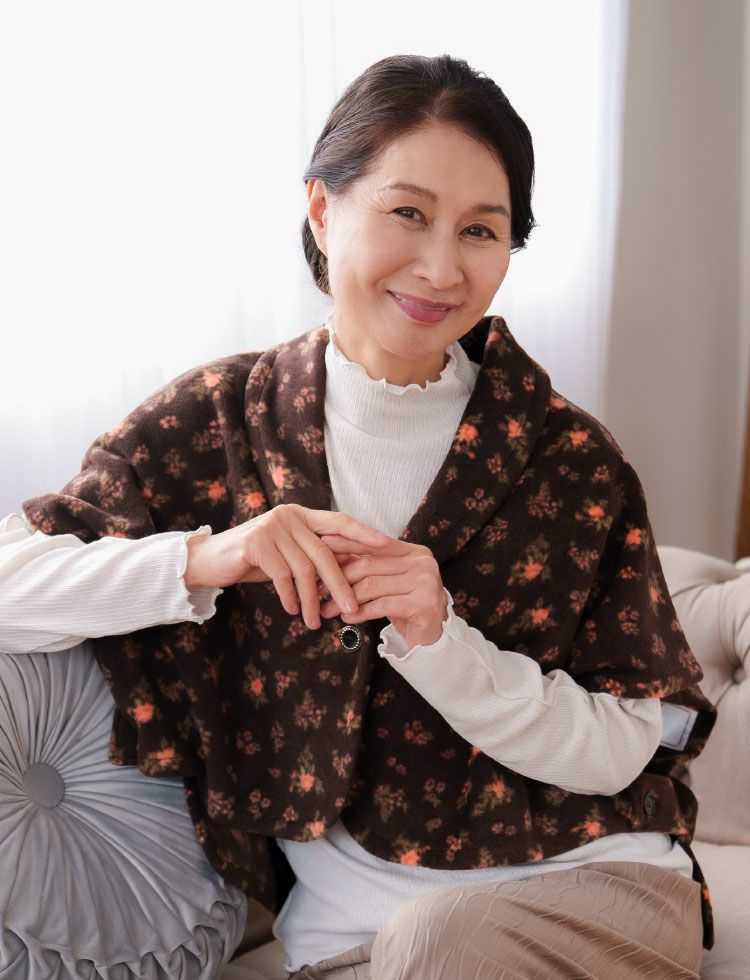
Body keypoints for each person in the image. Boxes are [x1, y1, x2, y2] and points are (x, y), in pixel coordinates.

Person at [2, 54, 717, 979]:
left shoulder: (574, 461)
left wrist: (443, 643)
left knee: (436, 944)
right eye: (407, 212)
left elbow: (624, 746)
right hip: (350, 938)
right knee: (421, 947)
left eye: (481, 230)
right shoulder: (214, 425)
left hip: (591, 886)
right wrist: (208, 559)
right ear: (322, 209)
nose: (441, 268)